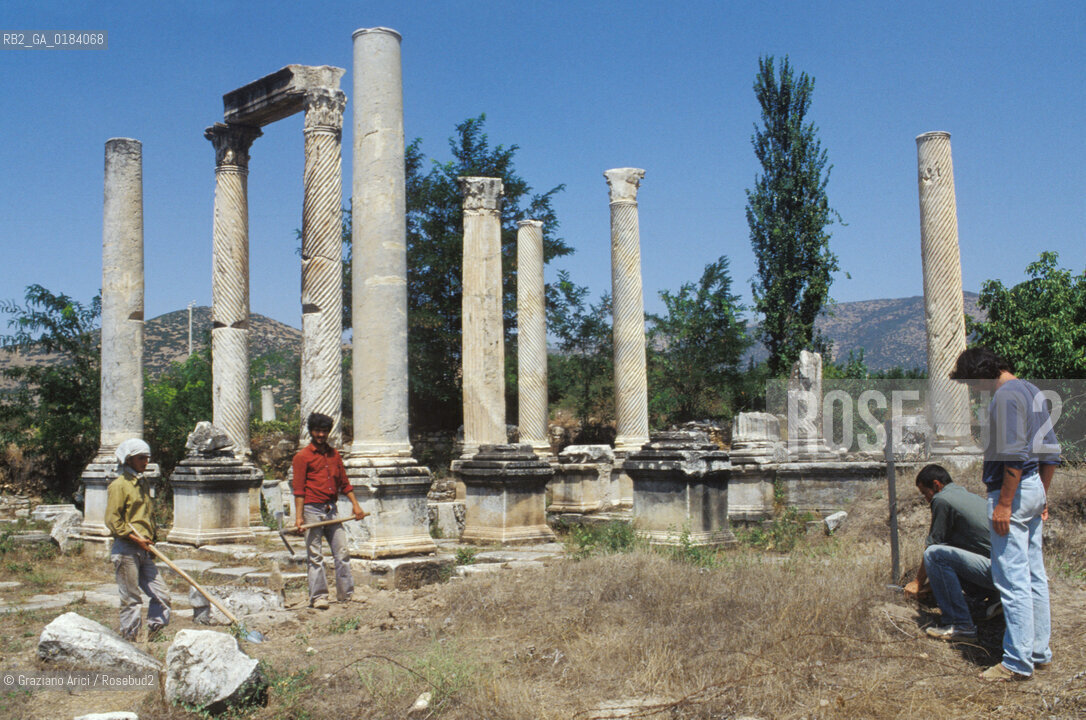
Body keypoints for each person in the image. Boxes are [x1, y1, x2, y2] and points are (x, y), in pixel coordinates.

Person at [950, 346, 1061, 682]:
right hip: (1033, 488)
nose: (973, 391)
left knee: (1012, 581)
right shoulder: (1031, 390)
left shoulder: (1004, 396)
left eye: (971, 384)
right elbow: (1051, 451)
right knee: (1033, 576)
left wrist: (1005, 503)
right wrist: (1041, 496)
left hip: (1011, 493)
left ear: (980, 373)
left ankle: (1016, 663)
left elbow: (1012, 455)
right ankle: (1038, 651)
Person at [904, 464, 997, 641]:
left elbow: (934, 545)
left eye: (925, 493)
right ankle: (994, 599)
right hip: (1009, 570)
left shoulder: (942, 500)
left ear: (936, 485)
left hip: (997, 572)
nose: (926, 499)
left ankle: (960, 624)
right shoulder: (965, 495)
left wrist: (917, 582)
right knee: (949, 554)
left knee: (934, 554)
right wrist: (932, 585)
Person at [292, 413, 367, 609]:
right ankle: (318, 597)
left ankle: (346, 594)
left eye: (324, 431)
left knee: (341, 552)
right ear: (311, 432)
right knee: (315, 555)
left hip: (331, 509)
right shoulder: (302, 457)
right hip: (311, 510)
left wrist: (355, 505)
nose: (321, 434)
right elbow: (299, 490)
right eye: (317, 431)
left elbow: (345, 483)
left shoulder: (334, 455)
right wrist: (299, 517)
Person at [104, 438, 171, 641]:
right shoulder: (119, 486)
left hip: (145, 549)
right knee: (131, 599)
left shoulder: (142, 483)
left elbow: (146, 516)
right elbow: (113, 521)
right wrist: (135, 539)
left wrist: (149, 541)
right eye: (141, 458)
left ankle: (154, 636)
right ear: (129, 459)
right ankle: (130, 641)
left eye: (147, 458)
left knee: (162, 594)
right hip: (126, 550)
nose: (146, 462)